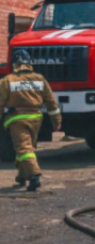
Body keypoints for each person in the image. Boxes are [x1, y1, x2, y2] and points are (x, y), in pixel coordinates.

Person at [0, 49, 61, 191]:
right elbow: (51, 101)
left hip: (17, 119)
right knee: (27, 148)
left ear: (14, 64)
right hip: (36, 118)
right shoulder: (39, 79)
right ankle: (22, 176)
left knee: (24, 148)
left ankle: (34, 176)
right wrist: (56, 120)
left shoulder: (7, 81)